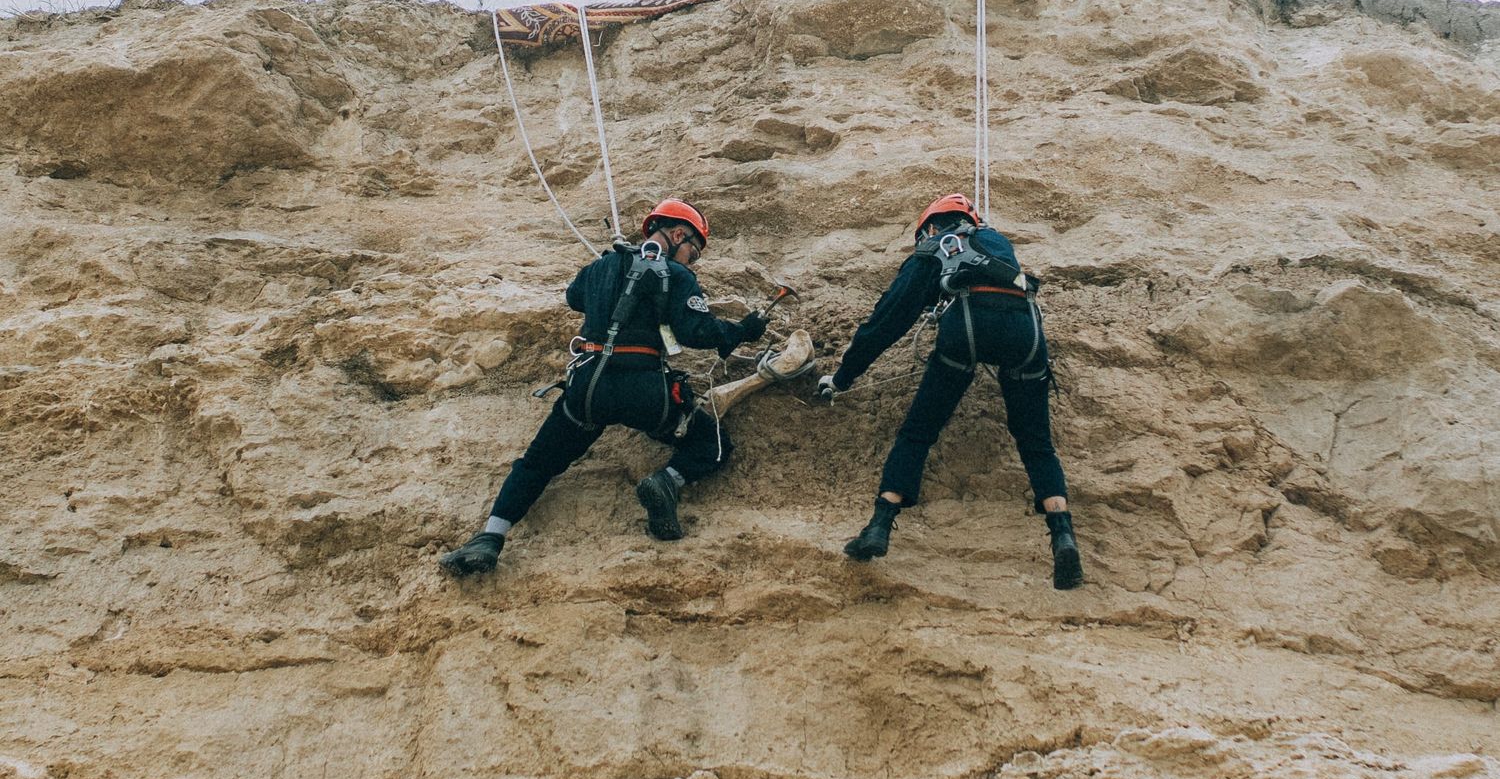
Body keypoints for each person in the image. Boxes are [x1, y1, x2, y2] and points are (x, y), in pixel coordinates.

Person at [438, 199, 768, 577]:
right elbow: (699, 332)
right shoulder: (676, 276)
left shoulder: (601, 267)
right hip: (646, 389)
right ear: (679, 234)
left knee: (537, 464)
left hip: (589, 388)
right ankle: (666, 482)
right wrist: (742, 331)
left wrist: (612, 271)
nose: (692, 261)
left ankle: (490, 538)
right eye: (693, 251)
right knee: (712, 443)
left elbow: (573, 296)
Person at [817, 193, 1085, 590]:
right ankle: (1063, 536)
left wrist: (843, 376)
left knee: (918, 432)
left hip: (967, 333)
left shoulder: (933, 247)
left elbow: (887, 321)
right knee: (1036, 443)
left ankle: (879, 526)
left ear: (928, 226)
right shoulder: (996, 242)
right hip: (1026, 334)